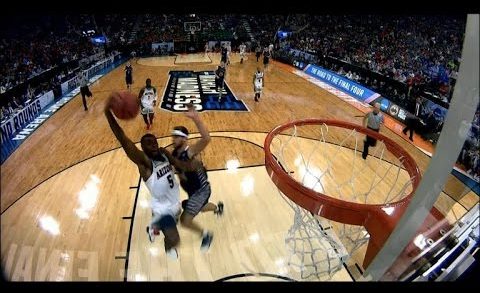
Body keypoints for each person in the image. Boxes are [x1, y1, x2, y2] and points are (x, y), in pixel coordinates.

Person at [104, 97, 197, 259]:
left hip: (174, 202)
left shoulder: (164, 154)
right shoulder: (144, 163)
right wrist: (108, 113)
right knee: (174, 238)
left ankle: (154, 228)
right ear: (142, 148)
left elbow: (179, 165)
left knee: (171, 231)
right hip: (162, 208)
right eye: (148, 143)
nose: (153, 144)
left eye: (154, 141)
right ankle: (164, 240)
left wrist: (190, 168)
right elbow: (123, 139)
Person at [171, 104, 223, 252]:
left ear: (185, 139)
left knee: (185, 221)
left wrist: (196, 118)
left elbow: (206, 139)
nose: (173, 139)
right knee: (203, 206)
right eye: (173, 136)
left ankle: (206, 235)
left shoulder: (190, 152)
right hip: (193, 191)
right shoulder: (174, 153)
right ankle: (218, 208)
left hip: (201, 190)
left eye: (176, 137)